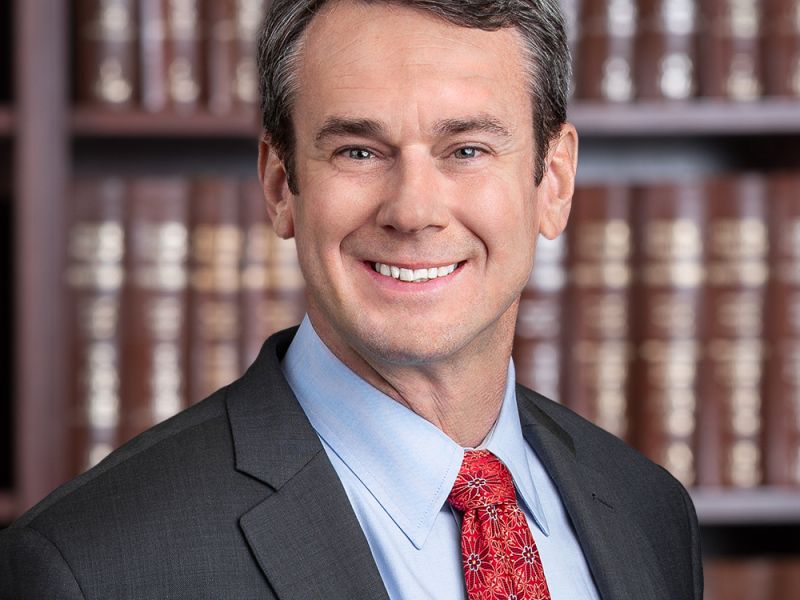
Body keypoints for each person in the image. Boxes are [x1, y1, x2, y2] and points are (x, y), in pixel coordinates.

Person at [0, 0, 703, 598]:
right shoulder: (90, 566)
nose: (414, 211)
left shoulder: (650, 512)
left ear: (553, 183)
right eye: (359, 152)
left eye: (466, 150)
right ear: (280, 186)